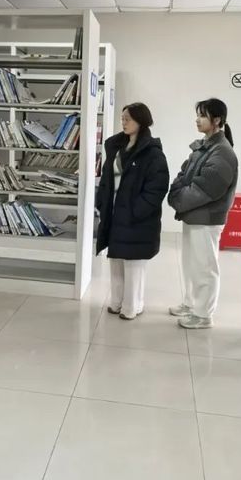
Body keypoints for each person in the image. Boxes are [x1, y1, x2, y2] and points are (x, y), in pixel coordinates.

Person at [167, 98, 238, 329]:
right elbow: (183, 174)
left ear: (217, 120)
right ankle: (191, 303)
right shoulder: (205, 146)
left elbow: (206, 188)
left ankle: (203, 314)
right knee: (191, 264)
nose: (197, 120)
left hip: (206, 218)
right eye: (197, 115)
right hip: (193, 215)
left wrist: (178, 199)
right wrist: (177, 194)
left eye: (202, 115)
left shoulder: (222, 151)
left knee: (205, 267)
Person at [95, 102, 169, 320]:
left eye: (128, 118)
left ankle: (132, 306)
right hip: (114, 213)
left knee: (134, 264)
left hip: (137, 218)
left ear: (141, 121)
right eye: (122, 118)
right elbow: (107, 179)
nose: (124, 122)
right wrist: (102, 202)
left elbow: (157, 189)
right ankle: (116, 302)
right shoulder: (117, 147)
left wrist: (137, 211)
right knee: (116, 259)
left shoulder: (153, 154)